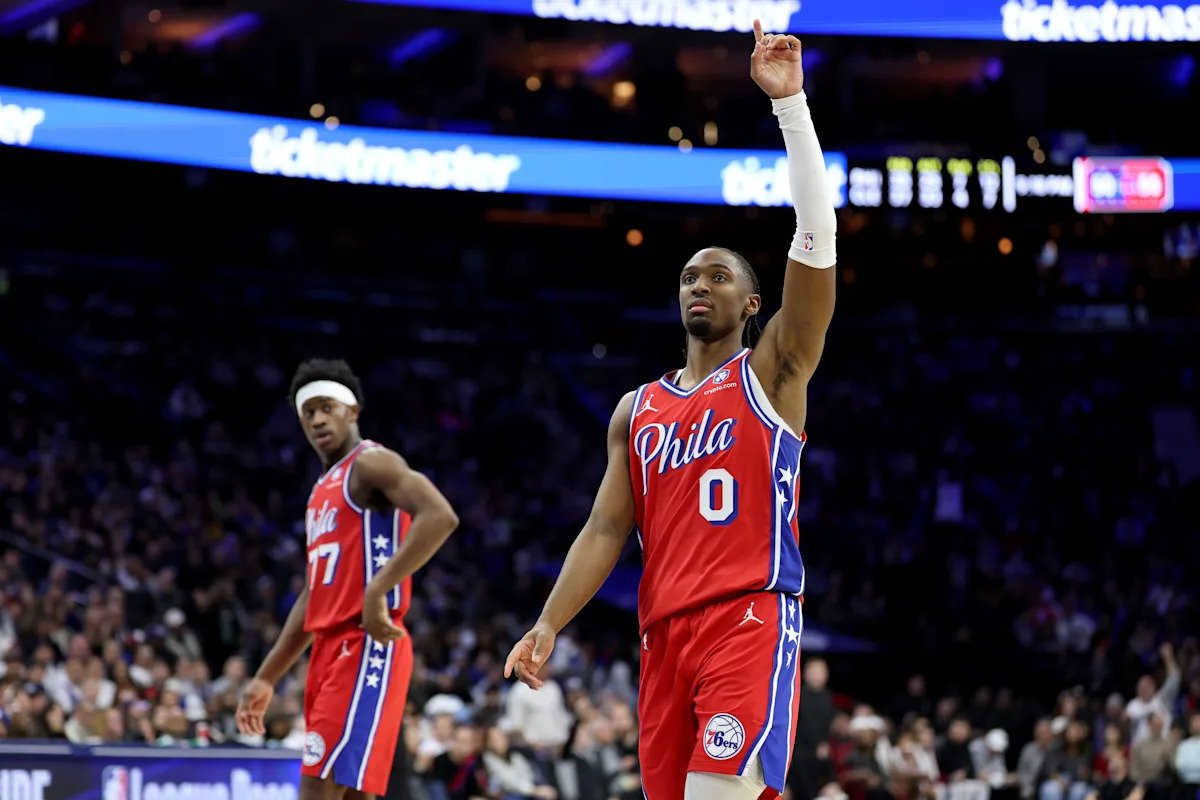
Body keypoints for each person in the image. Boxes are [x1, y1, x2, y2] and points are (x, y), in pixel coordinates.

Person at [504, 19, 837, 800]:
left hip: (747, 619)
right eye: (690, 276)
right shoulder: (638, 409)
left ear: (752, 304)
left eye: (718, 277)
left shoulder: (774, 372)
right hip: (661, 639)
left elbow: (816, 234)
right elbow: (605, 530)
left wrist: (791, 108)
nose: (699, 284)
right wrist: (549, 622)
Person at [236, 358, 460, 799]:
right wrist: (266, 676)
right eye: (308, 412)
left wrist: (378, 587)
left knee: (317, 787)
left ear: (352, 410)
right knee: (351, 793)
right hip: (327, 649)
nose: (318, 419)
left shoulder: (371, 463)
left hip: (365, 643)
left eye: (327, 408)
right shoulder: (320, 491)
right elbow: (313, 595)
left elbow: (440, 515)